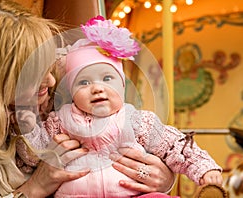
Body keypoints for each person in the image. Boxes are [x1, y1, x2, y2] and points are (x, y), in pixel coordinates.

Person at [0, 1, 175, 197]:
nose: (51, 82)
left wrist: (160, 178)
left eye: (48, 67)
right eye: (31, 74)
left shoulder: (58, 103)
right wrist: (34, 188)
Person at [16, 16, 223, 197]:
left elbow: (176, 146)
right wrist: (27, 127)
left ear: (122, 86)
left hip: (132, 194)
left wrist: (204, 169)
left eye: (107, 78)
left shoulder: (137, 121)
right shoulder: (59, 122)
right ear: (72, 92)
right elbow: (34, 154)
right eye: (84, 83)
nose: (97, 88)